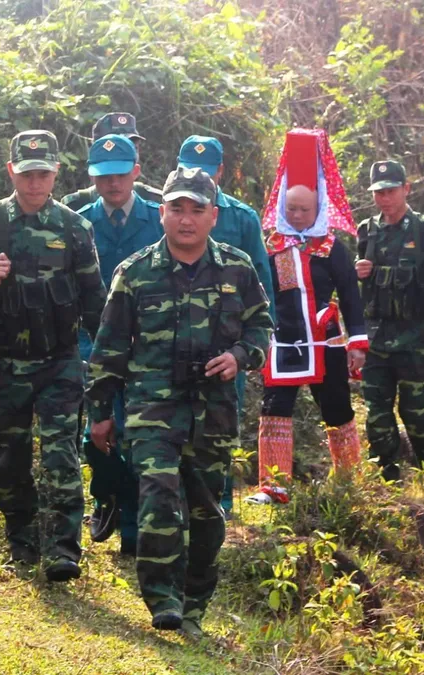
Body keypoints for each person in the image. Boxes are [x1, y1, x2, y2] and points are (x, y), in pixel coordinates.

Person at [86, 167, 272, 637]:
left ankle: (193, 605)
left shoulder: (237, 267)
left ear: (213, 216)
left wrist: (239, 355)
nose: (186, 220)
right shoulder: (134, 273)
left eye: (196, 210)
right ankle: (162, 598)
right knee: (158, 498)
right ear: (162, 212)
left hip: (213, 411)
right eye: (176, 209)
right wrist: (101, 415)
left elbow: (262, 328)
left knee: (208, 511)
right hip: (152, 410)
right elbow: (109, 348)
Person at [0, 130, 106, 582]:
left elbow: (94, 296)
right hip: (4, 361)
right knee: (10, 457)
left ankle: (62, 549)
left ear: (56, 173)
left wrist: (112, 357)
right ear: (12, 171)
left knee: (62, 455)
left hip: (59, 360)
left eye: (44, 174)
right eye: (28, 173)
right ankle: (22, 540)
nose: (36, 183)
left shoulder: (75, 228)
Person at [249, 129, 366, 504]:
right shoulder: (270, 247)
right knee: (275, 409)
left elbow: (350, 294)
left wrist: (358, 342)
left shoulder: (332, 248)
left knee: (336, 408)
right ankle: (274, 486)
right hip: (282, 343)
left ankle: (349, 480)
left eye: (305, 210)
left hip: (324, 340)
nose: (297, 215)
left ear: (318, 211)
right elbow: (258, 294)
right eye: (292, 209)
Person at [175, 135, 275, 515]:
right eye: (187, 167)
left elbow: (261, 281)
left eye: (204, 169)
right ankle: (180, 497)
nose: (195, 175)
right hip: (179, 334)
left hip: (225, 341)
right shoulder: (169, 210)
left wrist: (260, 340)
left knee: (221, 417)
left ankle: (221, 500)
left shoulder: (241, 218)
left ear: (220, 171)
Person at [74, 134, 164, 555]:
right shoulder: (76, 220)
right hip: (90, 343)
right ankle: (104, 495)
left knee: (138, 437)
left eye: (120, 174)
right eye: (103, 176)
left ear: (136, 172)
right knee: (94, 433)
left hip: (148, 346)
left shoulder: (158, 218)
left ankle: (132, 532)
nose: (113, 184)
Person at [354, 160, 424, 482]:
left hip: (414, 338)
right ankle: (385, 479)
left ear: (406, 189)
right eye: (378, 192)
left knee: (416, 411)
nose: (384, 198)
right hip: (376, 339)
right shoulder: (366, 231)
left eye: (390, 191)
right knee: (377, 414)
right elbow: (354, 292)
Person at [62, 112, 163, 211]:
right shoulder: (75, 206)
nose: (126, 154)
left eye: (133, 148)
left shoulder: (157, 202)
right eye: (115, 147)